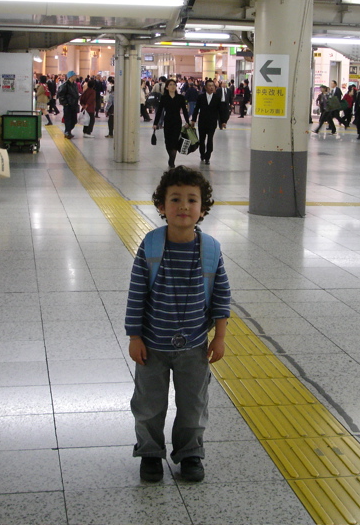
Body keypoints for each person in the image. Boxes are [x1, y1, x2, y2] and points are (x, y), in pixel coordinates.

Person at [125, 166, 231, 483]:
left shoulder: (210, 250)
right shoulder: (151, 245)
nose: (183, 206)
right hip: (153, 347)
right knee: (148, 405)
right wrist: (134, 337)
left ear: (203, 208)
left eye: (191, 200)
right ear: (161, 206)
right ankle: (149, 453)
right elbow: (136, 294)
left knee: (193, 406)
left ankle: (190, 454)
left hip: (195, 347)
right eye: (175, 199)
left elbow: (223, 296)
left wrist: (220, 337)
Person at [153, 78, 190, 168]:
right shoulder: (164, 98)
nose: (173, 86)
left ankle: (172, 160)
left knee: (174, 141)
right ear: (166, 87)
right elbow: (159, 111)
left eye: (174, 84)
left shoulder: (180, 98)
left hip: (177, 122)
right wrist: (155, 123)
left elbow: (184, 111)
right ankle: (171, 156)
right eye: (170, 85)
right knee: (168, 142)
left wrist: (187, 122)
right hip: (168, 121)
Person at [190, 79, 223, 164]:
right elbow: (196, 109)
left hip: (212, 122)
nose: (211, 87)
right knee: (202, 140)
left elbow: (220, 111)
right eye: (209, 85)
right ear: (205, 87)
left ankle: (208, 156)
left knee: (210, 139)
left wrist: (222, 121)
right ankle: (202, 154)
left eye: (212, 85)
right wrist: (193, 120)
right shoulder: (201, 97)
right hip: (202, 122)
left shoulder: (217, 98)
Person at [56, 70, 81, 139]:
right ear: (70, 77)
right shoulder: (65, 85)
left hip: (74, 105)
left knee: (74, 120)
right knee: (68, 119)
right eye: (74, 76)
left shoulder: (75, 85)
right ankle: (67, 131)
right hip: (68, 105)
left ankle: (69, 131)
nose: (76, 77)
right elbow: (61, 95)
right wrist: (65, 103)